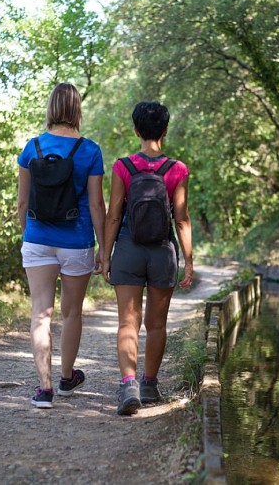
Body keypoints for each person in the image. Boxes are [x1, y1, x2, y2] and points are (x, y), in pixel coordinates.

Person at [102, 101, 194, 416]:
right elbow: (181, 219)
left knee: (128, 322)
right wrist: (189, 260)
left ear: (136, 130)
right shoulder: (177, 169)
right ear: (164, 131)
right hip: (162, 252)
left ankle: (128, 385)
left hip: (128, 248)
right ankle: (149, 385)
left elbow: (114, 215)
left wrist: (105, 254)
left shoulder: (122, 167)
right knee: (156, 325)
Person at [17, 82, 106, 408]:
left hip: (38, 240)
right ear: (77, 110)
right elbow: (97, 206)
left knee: (40, 313)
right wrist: (104, 249)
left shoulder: (32, 148)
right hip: (77, 242)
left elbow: (22, 204)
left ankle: (44, 389)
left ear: (52, 109)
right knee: (71, 313)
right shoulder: (90, 150)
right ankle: (67, 378)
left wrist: (30, 238)